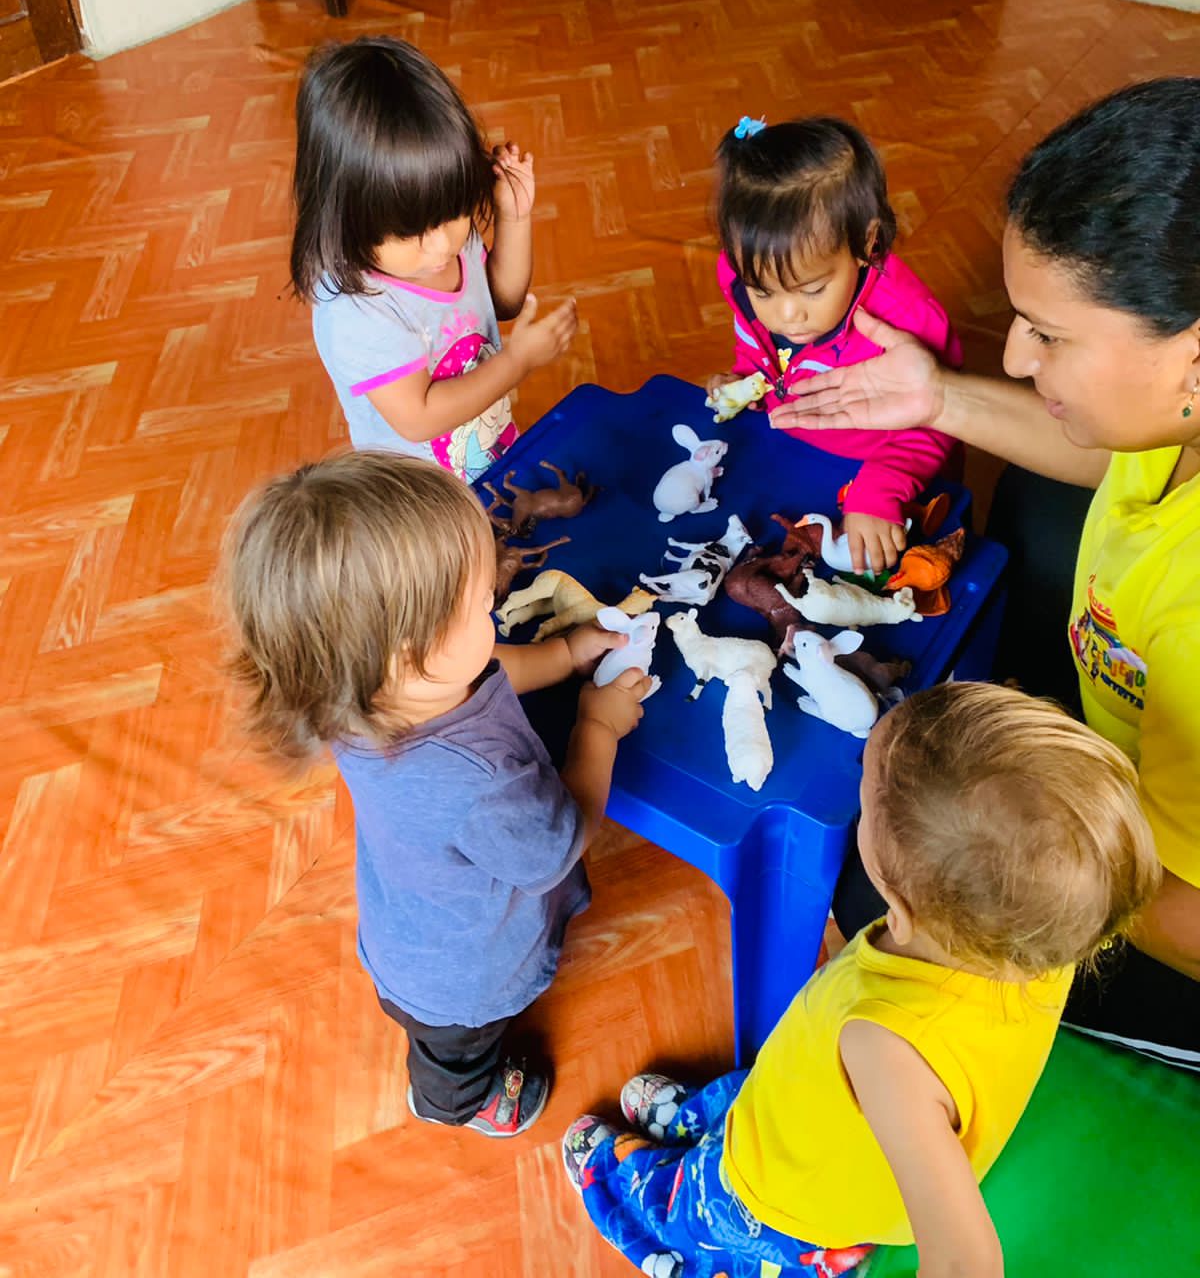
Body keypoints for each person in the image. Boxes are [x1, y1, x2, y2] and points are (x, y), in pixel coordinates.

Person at [771, 78, 1200, 1066]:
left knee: (874, 875)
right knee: (1038, 504)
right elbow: (1116, 457)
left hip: (1172, 923)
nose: (1012, 356)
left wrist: (995, 850)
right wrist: (937, 398)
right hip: (1127, 742)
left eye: (1049, 334)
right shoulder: (1176, 421)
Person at [562, 684, 1159, 1278]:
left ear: (898, 899)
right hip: (809, 1126)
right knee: (751, 1100)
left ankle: (630, 1194)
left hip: (773, 1198)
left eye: (866, 801)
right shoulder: (1043, 935)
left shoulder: (889, 1048)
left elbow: (967, 1262)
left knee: (691, 1214)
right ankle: (706, 1127)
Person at [224, 450, 651, 1137]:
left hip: (414, 922)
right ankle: (454, 1102)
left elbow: (491, 664)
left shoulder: (356, 692)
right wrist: (597, 729)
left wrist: (566, 654)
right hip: (461, 980)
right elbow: (558, 844)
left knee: (448, 1032)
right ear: (408, 656)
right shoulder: (479, 782)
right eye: (482, 606)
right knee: (457, 1057)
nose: (495, 611)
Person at [290, 36, 577, 483]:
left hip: (484, 455)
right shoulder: (356, 309)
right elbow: (419, 418)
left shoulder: (435, 224)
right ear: (345, 216)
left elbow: (503, 302)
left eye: (454, 215)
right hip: (421, 499)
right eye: (412, 235)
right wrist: (517, 362)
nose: (443, 246)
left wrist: (514, 216)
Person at [707, 115, 962, 574]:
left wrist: (881, 489)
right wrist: (743, 381)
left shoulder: (909, 321)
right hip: (796, 456)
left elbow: (942, 418)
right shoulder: (741, 271)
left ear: (865, 243)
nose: (786, 315)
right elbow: (757, 352)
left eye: (811, 290)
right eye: (763, 292)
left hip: (892, 478)